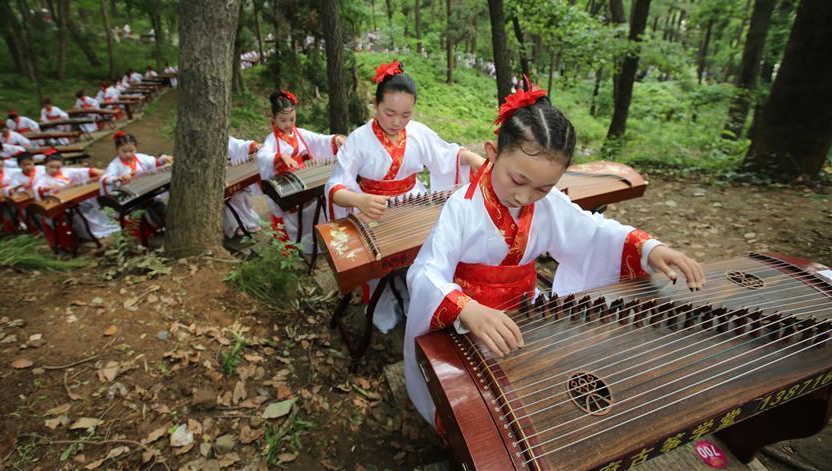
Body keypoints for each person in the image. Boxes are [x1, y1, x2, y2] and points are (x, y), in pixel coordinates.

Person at [402, 83, 705, 427]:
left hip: (525, 314)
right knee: (478, 415)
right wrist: (467, 309)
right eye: (517, 179)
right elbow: (426, 271)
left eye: (542, 188)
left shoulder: (547, 204)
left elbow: (590, 234)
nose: (525, 196)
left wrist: (649, 248)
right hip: (467, 322)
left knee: (529, 399)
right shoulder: (463, 207)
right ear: (491, 153)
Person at [325, 60, 485, 332]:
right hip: (372, 209)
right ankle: (383, 305)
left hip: (413, 203)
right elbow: (335, 185)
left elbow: (445, 156)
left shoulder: (418, 133)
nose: (397, 122)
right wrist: (358, 200)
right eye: (389, 113)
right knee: (380, 265)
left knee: (424, 254)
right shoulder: (359, 139)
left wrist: (470, 157)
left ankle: (421, 297)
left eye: (406, 115)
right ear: (375, 106)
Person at [255, 90, 345, 254]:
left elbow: (319, 140)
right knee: (293, 218)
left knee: (317, 207)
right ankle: (295, 245)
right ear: (273, 119)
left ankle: (317, 242)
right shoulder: (272, 140)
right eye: (283, 120)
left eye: (292, 119)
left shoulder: (300, 134)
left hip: (306, 180)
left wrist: (335, 139)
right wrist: (278, 156)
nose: (288, 124)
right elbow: (262, 154)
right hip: (288, 186)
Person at [100, 131, 172, 241]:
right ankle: (147, 234)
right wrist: (117, 178)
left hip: (146, 191)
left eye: (131, 151)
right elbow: (106, 178)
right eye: (124, 151)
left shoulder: (140, 158)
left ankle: (169, 226)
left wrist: (163, 159)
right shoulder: (115, 165)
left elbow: (154, 163)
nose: (128, 154)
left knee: (160, 206)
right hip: (130, 196)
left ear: (136, 149)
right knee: (141, 214)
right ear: (117, 150)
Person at [32, 152, 118, 240]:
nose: (54, 170)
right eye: (51, 167)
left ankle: (106, 227)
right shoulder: (42, 179)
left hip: (74, 197)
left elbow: (81, 172)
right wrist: (47, 188)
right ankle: (90, 233)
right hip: (61, 204)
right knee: (81, 210)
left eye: (57, 167)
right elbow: (37, 189)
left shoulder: (66, 171)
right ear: (45, 165)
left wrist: (94, 171)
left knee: (90, 203)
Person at [223, 136, 262, 238]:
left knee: (242, 196)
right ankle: (237, 226)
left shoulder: (227, 141)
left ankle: (247, 222)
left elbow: (241, 145)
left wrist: (252, 146)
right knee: (231, 199)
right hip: (221, 182)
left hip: (233, 178)